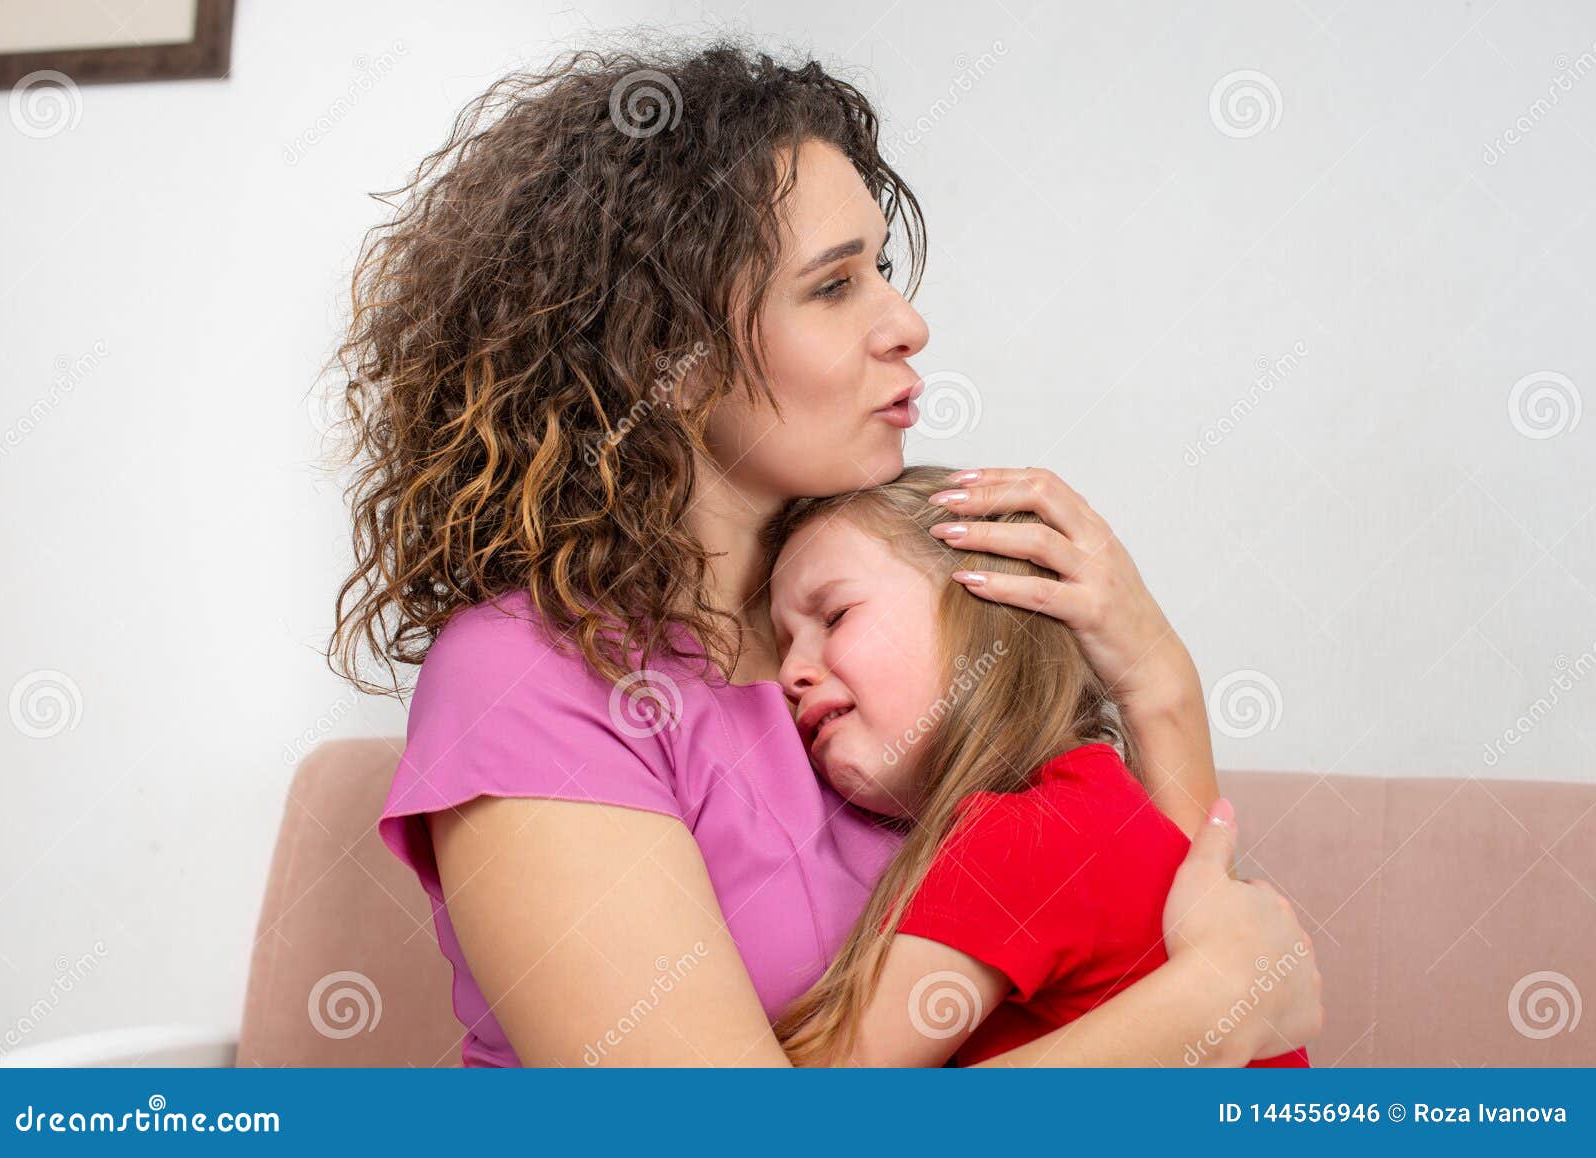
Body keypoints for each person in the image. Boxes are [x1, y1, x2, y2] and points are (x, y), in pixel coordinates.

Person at [325, 37, 1323, 1067]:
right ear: (663, 355)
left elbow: (1132, 928)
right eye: (833, 286)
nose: (908, 325)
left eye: (882, 270)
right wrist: (1210, 1009)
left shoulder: (900, 623)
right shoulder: (532, 678)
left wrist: (1157, 678)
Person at [762, 466, 1311, 1067]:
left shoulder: (1030, 834)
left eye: (835, 615)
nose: (790, 674)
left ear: (982, 602)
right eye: (783, 645)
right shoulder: (1099, 807)